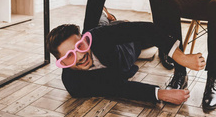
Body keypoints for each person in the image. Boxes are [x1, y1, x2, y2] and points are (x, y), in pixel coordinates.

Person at [46, 21, 206, 104]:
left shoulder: (98, 37)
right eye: (69, 56)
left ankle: (111, 19)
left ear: (83, 39)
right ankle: (109, 17)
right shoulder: (73, 84)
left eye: (80, 46)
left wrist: (181, 58)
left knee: (128, 31)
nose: (80, 56)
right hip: (121, 65)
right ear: (59, 61)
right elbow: (116, 88)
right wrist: (160, 94)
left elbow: (146, 30)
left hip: (128, 47)